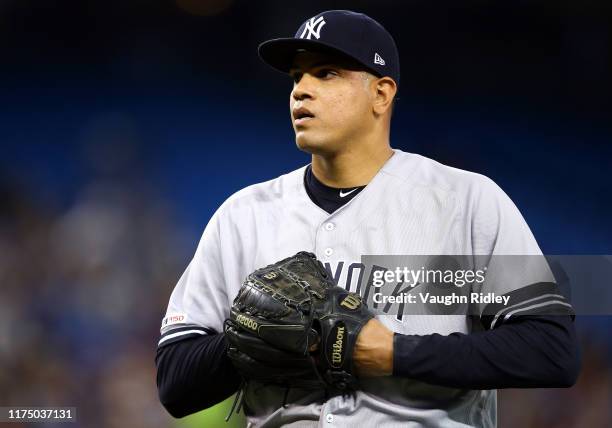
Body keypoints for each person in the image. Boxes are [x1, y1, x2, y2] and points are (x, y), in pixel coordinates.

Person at [156, 10, 579, 427]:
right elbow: (175, 381)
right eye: (296, 77)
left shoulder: (464, 201)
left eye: (326, 73)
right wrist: (260, 336)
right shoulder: (243, 215)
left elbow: (550, 349)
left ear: (381, 94)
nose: (301, 90)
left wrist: (392, 352)